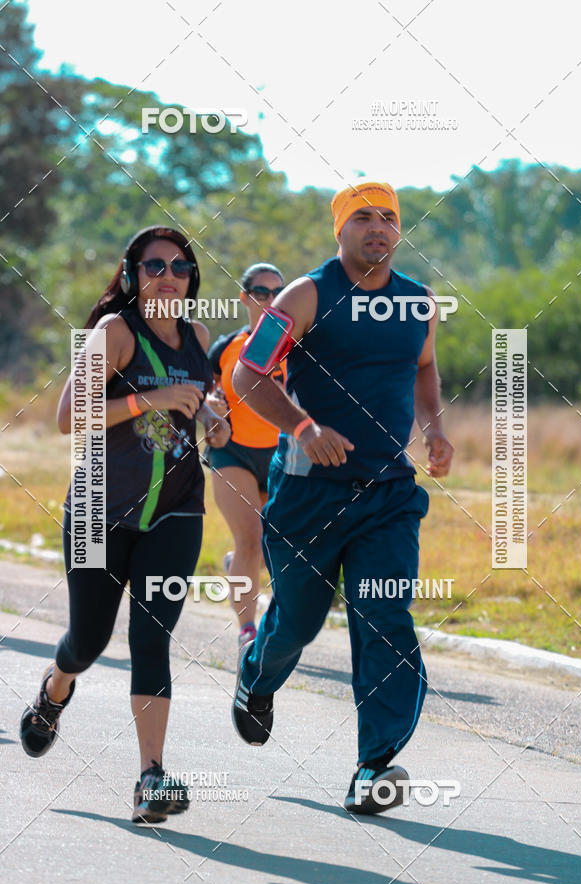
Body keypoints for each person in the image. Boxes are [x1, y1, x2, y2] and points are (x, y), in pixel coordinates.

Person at [231, 182, 454, 815]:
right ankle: (256, 676)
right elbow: (250, 371)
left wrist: (434, 427)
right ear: (341, 230)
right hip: (307, 492)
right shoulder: (307, 295)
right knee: (297, 622)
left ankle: (373, 766)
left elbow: (423, 368)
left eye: (388, 218)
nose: (378, 228)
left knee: (383, 618)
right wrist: (303, 426)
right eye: (363, 217)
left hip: (387, 493)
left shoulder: (417, 302)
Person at [19, 225, 230, 824]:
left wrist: (213, 419)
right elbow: (68, 417)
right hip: (96, 511)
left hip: (177, 510)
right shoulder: (115, 333)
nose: (168, 275)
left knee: (151, 638)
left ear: (193, 279)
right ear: (132, 275)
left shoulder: (199, 336)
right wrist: (150, 401)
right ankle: (56, 687)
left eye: (180, 267)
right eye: (154, 265)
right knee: (87, 641)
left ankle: (150, 778)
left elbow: (198, 408)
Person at [205, 263, 285, 650]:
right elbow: (199, 393)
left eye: (276, 292)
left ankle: (236, 562)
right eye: (260, 292)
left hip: (281, 458)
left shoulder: (297, 346)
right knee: (251, 539)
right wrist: (209, 403)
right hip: (232, 452)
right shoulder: (226, 348)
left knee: (272, 545)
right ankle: (248, 631)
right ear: (244, 297)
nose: (269, 300)